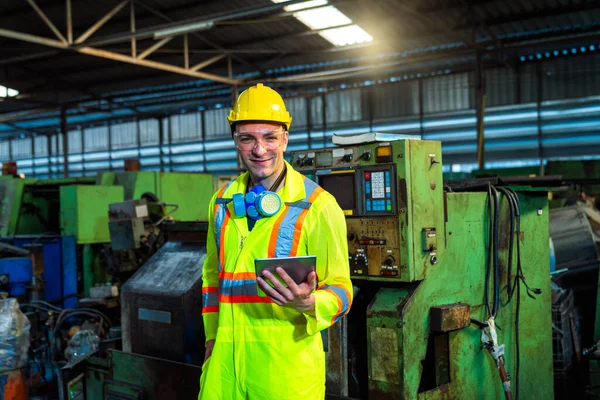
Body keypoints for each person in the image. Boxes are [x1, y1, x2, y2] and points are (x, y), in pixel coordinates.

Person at [199, 83, 352, 400]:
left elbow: (342, 289)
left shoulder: (318, 206)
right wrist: (211, 340)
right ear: (235, 141)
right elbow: (212, 279)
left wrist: (310, 303)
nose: (259, 150)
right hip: (224, 371)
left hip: (283, 376)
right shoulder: (221, 203)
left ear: (285, 137)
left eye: (269, 137)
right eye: (247, 139)